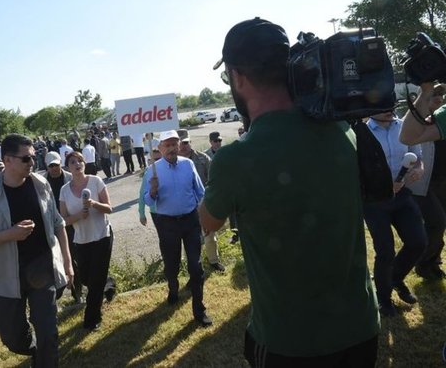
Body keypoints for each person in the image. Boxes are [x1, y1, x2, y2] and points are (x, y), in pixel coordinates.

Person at [199, 18, 379, 365]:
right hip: (360, 328)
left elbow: (209, 222)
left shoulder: (235, 159)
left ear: (237, 77)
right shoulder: (342, 129)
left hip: (290, 342)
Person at [0, 134, 73, 367]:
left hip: (43, 272)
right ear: (7, 160)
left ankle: (44, 358)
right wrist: (9, 234)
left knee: (48, 334)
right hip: (6, 277)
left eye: (34, 157)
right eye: (26, 158)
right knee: (13, 339)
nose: (32, 162)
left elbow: (58, 224)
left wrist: (67, 262)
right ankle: (33, 350)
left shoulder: (41, 184)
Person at [143, 130, 212, 327]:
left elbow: (200, 192)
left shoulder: (188, 164)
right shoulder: (153, 171)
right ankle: (173, 289)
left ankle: (199, 310)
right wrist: (153, 190)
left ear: (179, 145)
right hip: (167, 224)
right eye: (167, 145)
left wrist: (205, 218)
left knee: (195, 267)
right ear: (160, 148)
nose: (172, 148)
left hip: (190, 221)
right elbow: (148, 201)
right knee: (171, 265)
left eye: (175, 144)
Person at [364, 110, 427, 316]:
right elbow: (358, 170)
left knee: (418, 242)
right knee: (385, 251)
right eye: (383, 105)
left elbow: (417, 157)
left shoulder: (405, 127)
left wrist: (419, 169)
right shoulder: (362, 133)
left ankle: (395, 279)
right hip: (374, 202)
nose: (389, 109)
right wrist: (381, 185)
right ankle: (383, 299)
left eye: (390, 104)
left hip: (401, 196)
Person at [59, 151, 116, 331]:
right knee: (86, 278)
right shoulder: (64, 190)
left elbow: (109, 208)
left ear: (84, 164)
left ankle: (92, 319)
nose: (77, 164)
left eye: (80, 161)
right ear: (67, 167)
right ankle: (109, 283)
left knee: (95, 281)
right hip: (81, 240)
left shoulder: (95, 181)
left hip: (102, 236)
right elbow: (63, 220)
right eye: (73, 162)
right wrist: (78, 216)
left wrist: (93, 204)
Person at [407, 84, 446, 280]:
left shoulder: (443, 118)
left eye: (441, 94)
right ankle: (422, 263)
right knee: (437, 222)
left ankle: (433, 261)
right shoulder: (415, 122)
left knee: (441, 223)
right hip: (424, 182)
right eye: (434, 94)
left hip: (442, 180)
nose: (438, 97)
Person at [178, 136, 225, 272]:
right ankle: (192, 265)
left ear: (190, 142)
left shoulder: (203, 158)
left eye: (185, 143)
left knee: (209, 235)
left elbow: (214, 179)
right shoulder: (173, 161)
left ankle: (213, 261)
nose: (183, 146)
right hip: (185, 206)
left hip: (204, 203)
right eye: (180, 143)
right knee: (188, 238)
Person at [41, 151, 82, 302]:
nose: (54, 168)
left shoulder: (70, 178)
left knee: (73, 259)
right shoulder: (41, 182)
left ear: (60, 164)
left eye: (56, 165)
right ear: (47, 166)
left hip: (70, 225)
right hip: (50, 227)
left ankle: (77, 294)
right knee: (53, 261)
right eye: (51, 166)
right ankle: (54, 296)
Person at [139, 148, 162, 225]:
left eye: (160, 159)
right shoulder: (148, 174)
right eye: (156, 159)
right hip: (155, 212)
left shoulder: (169, 171)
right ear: (150, 161)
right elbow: (142, 194)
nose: (158, 162)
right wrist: (142, 214)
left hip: (170, 211)